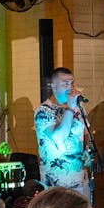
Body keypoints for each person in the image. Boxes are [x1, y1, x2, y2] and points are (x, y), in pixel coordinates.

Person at [34, 68, 91, 200]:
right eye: (65, 83)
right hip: (56, 186)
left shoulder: (79, 108)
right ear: (53, 86)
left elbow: (86, 133)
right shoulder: (44, 111)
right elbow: (59, 138)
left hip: (80, 182)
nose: (70, 87)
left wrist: (88, 148)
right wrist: (70, 108)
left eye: (72, 83)